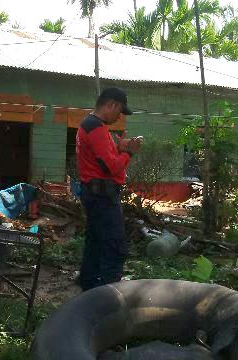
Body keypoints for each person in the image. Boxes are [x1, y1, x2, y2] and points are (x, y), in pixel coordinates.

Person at [76, 87, 142, 291]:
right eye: (119, 110)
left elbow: (103, 157)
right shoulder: (95, 127)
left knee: (95, 244)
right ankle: (108, 298)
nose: (119, 116)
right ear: (111, 104)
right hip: (103, 197)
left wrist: (119, 148)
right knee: (115, 248)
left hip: (95, 194)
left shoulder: (92, 125)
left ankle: (89, 289)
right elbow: (111, 167)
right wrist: (129, 153)